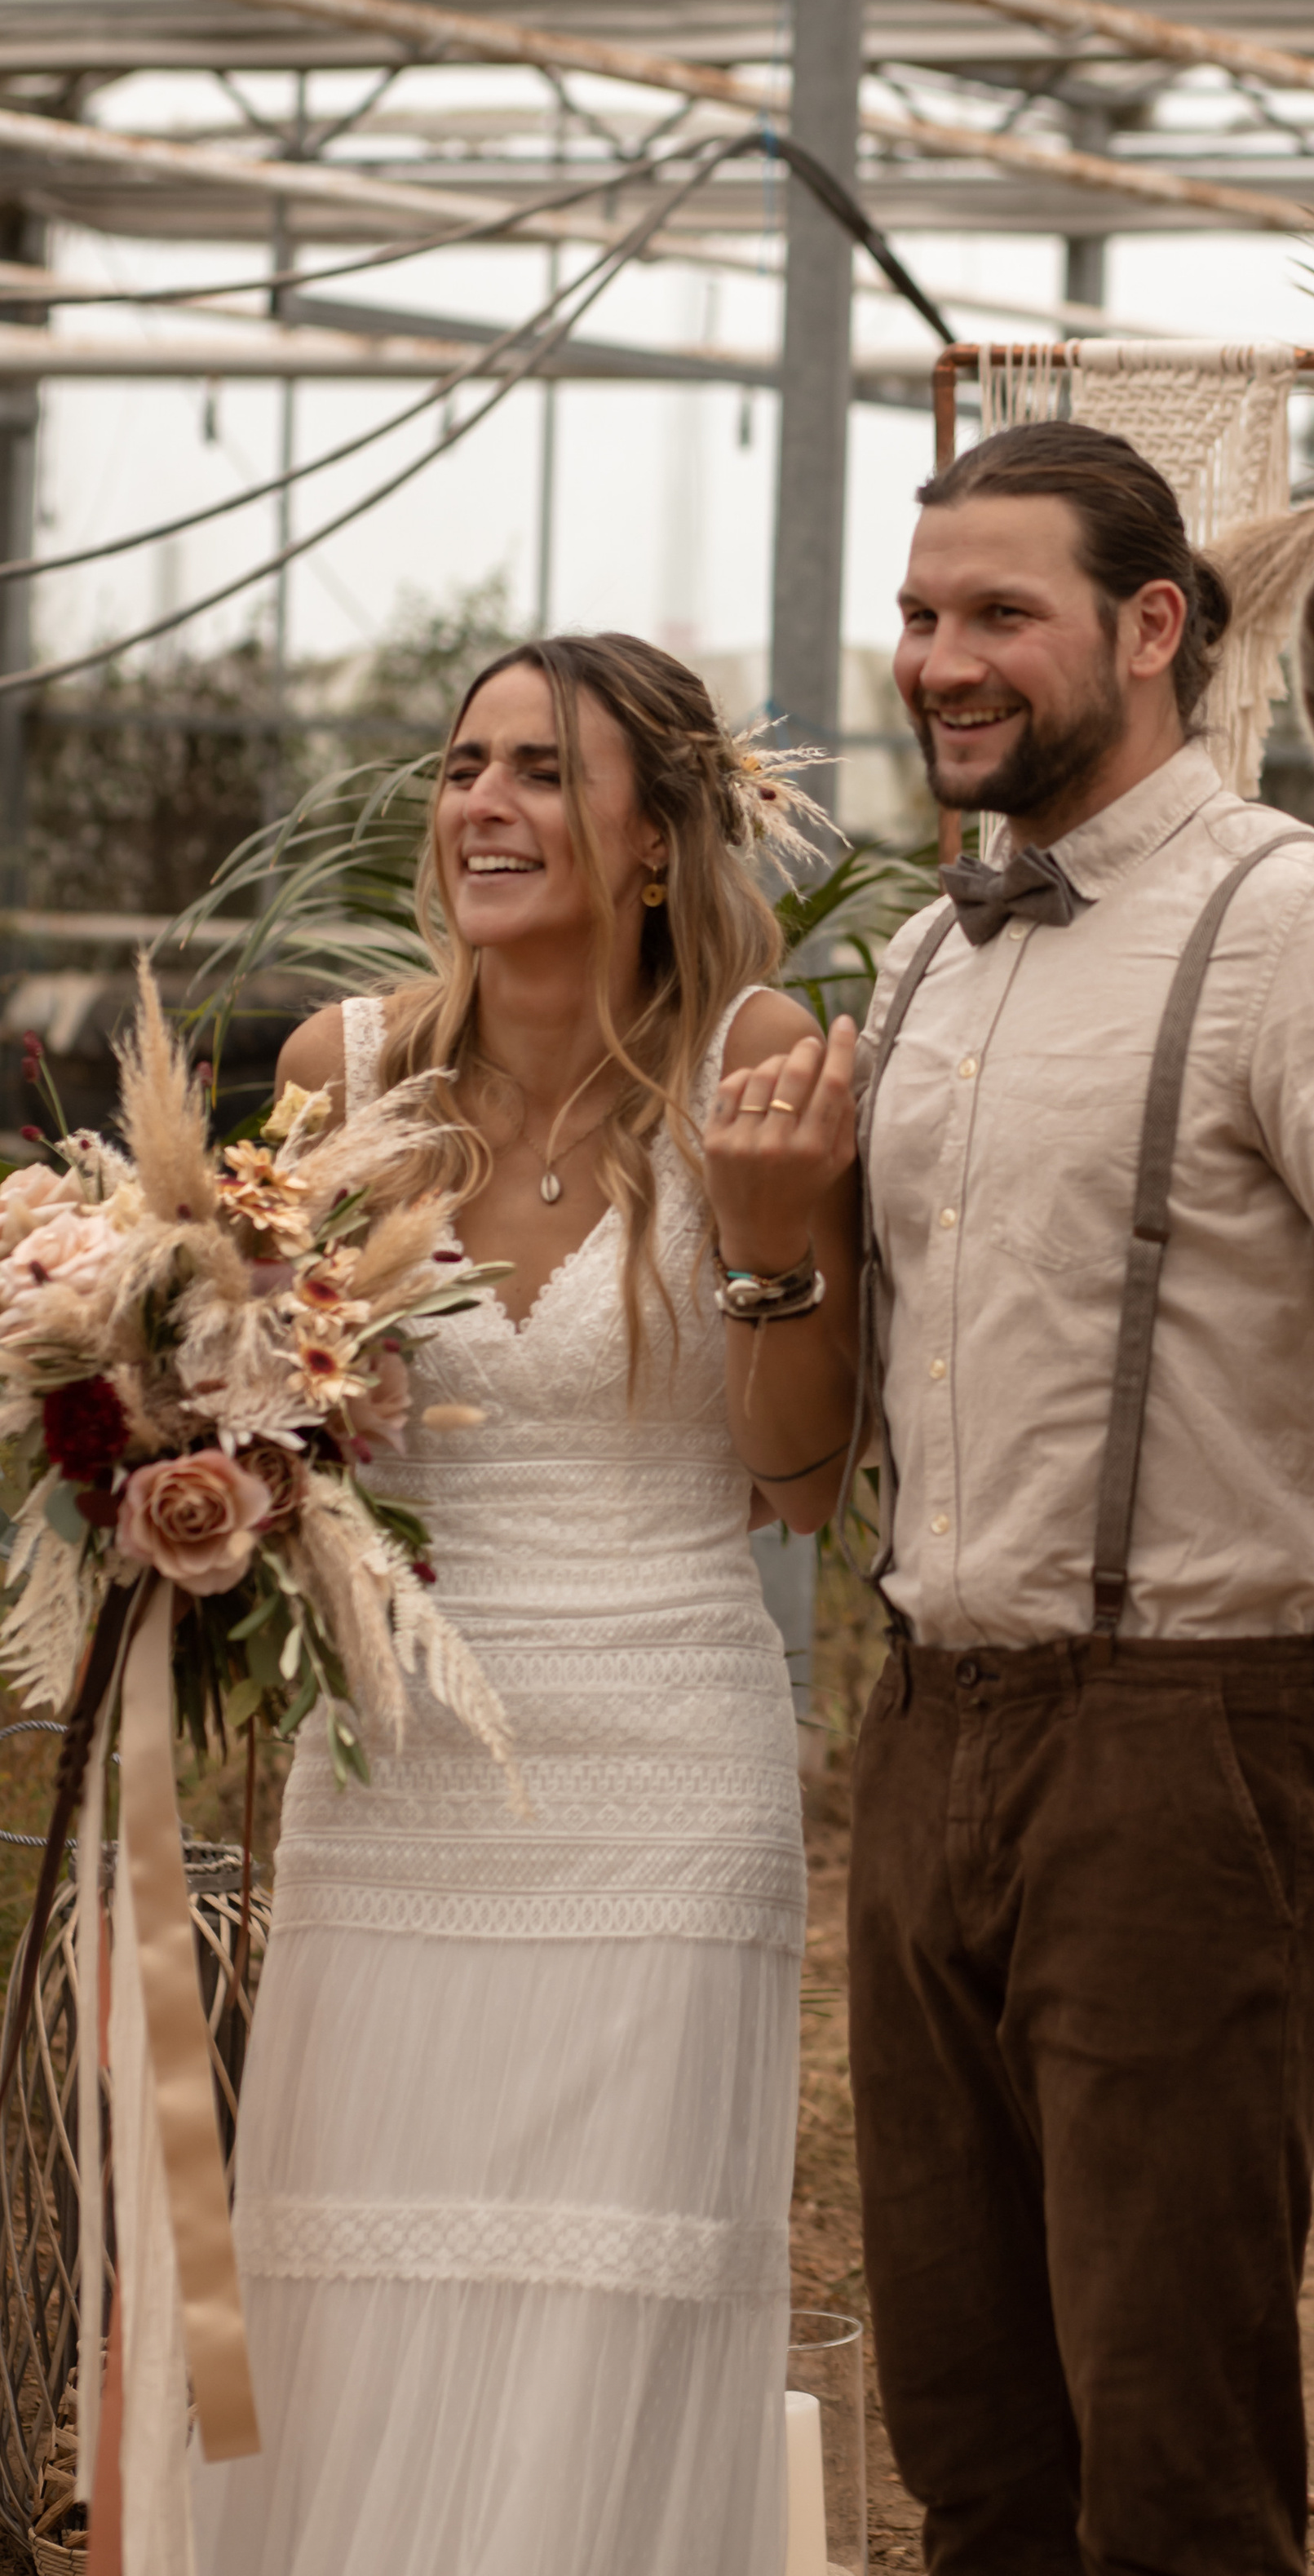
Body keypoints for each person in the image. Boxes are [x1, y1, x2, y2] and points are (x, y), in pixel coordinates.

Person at [739, 421, 1314, 2576]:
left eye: (995, 615)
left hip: (1196, 1741)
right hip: (930, 1725)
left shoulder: (1295, 920)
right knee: (968, 2425)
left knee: (1170, 2444)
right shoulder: (935, 960)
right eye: (925, 615)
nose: (940, 658)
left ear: (1148, 631)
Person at [193, 631, 858, 2576]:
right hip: (393, 1772)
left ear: (656, 839)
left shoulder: (761, 1063)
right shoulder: (346, 1073)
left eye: (543, 772)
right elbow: (264, 1416)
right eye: (465, 766)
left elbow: (801, 1479)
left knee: (604, 2303)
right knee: (355, 2264)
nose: (483, 805)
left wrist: (755, 1250)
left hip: (660, 1770)